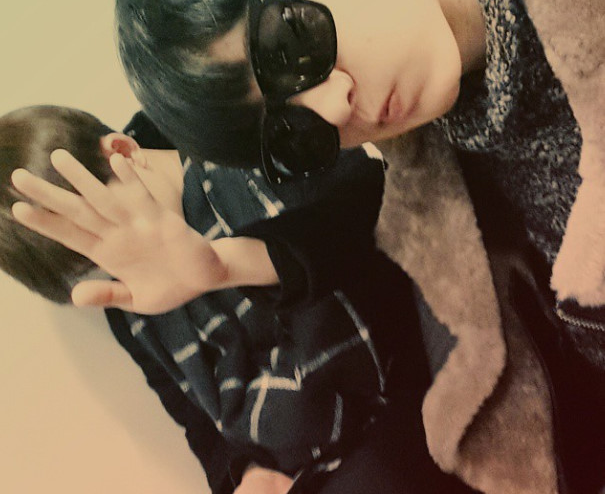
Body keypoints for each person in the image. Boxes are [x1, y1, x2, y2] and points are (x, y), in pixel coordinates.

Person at [107, 0, 604, 493]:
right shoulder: (448, 179)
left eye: (290, 42)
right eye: (292, 134)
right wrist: (220, 267)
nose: (332, 108)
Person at [2, 105, 475, 493]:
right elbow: (199, 425)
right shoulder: (128, 308)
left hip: (408, 365)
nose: (120, 268)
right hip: (305, 462)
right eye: (96, 268)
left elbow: (373, 217)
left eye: (104, 234)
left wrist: (226, 265)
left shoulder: (236, 146)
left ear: (124, 153)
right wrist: (246, 474)